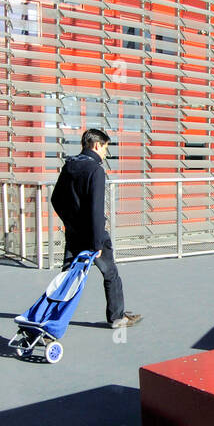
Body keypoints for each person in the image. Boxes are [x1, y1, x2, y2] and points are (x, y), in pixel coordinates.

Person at [50, 128, 141, 329]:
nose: (105, 153)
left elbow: (55, 199)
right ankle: (117, 317)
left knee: (68, 278)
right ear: (97, 145)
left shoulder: (69, 166)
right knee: (111, 274)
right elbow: (95, 209)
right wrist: (97, 241)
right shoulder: (95, 170)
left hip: (73, 233)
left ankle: (53, 320)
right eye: (105, 148)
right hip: (93, 235)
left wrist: (70, 222)